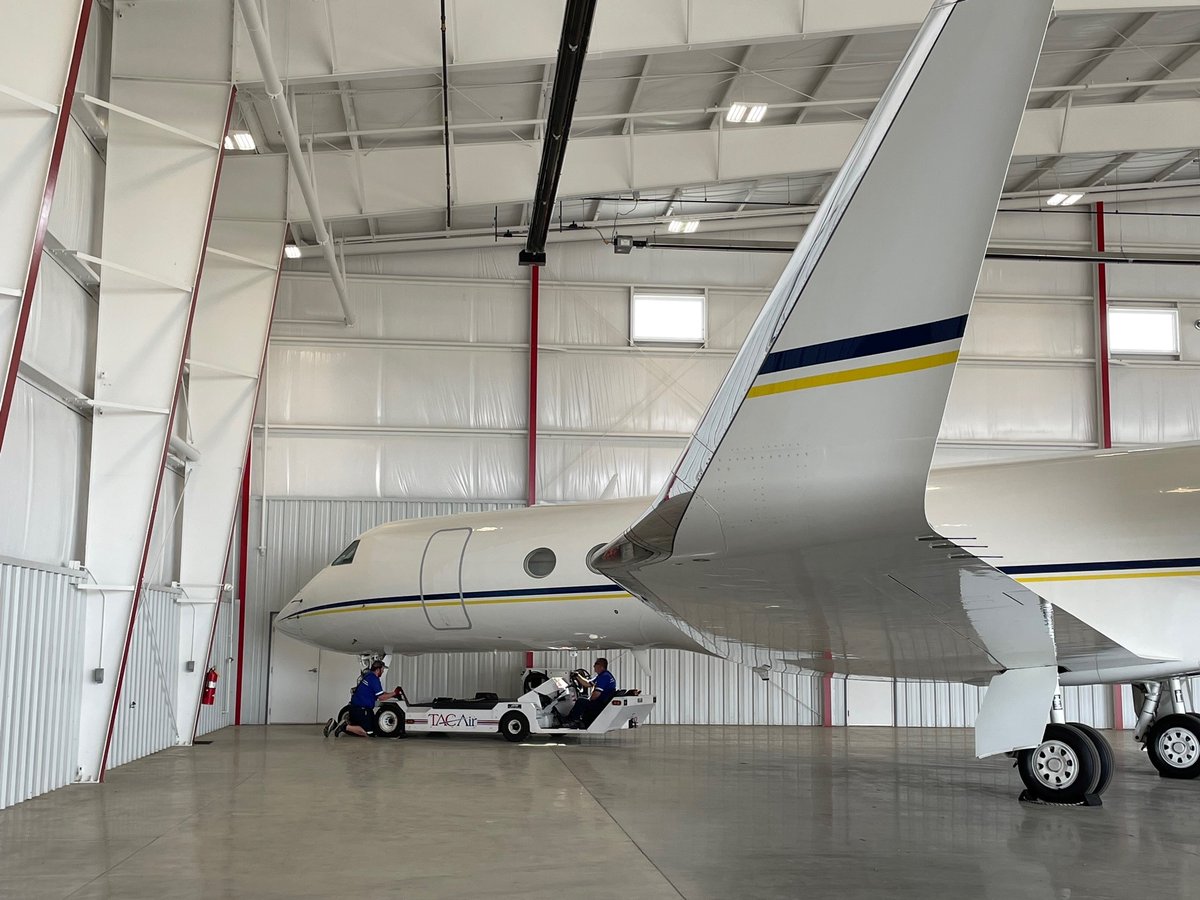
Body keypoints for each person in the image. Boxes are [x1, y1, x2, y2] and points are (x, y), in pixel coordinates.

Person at [325, 659, 401, 738]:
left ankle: (335, 725)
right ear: (378, 669)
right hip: (362, 709)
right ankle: (343, 727)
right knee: (368, 733)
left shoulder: (368, 676)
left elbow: (380, 693)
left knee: (370, 729)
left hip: (355, 707)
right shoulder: (374, 679)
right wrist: (395, 693)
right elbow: (381, 697)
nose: (383, 671)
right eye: (382, 669)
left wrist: (392, 694)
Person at [564, 658, 617, 729]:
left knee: (581, 701)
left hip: (600, 703)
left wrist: (589, 700)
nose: (593, 666)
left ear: (600, 666)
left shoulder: (604, 677)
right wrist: (577, 676)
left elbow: (596, 694)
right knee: (583, 699)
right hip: (602, 702)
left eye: (595, 664)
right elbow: (587, 683)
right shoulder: (603, 675)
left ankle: (573, 721)